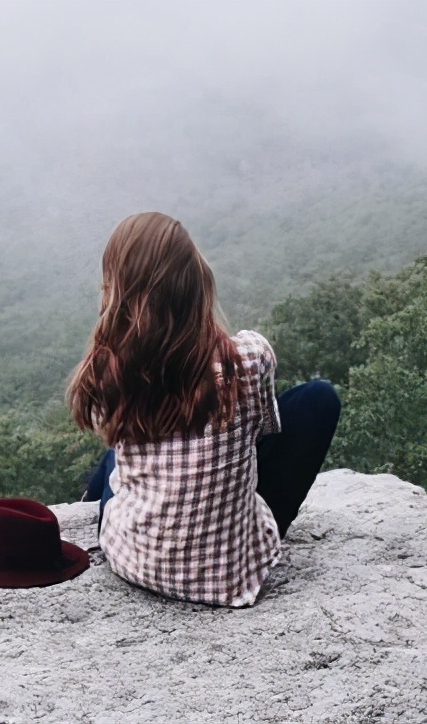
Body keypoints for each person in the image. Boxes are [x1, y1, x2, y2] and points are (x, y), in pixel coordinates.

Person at [69, 212, 340, 607]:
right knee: (318, 399)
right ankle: (225, 536)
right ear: (197, 281)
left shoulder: (111, 371)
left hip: (133, 560)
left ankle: (86, 503)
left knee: (118, 446)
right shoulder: (250, 358)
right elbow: (263, 433)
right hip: (230, 577)